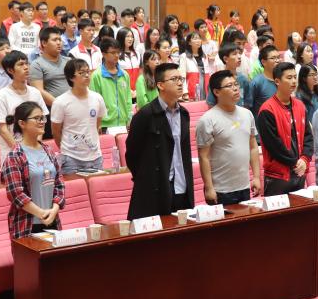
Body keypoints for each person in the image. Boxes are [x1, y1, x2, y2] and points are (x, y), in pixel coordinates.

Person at [125, 62, 193, 217]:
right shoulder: (145, 115)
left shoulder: (184, 114)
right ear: (160, 85)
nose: (179, 83)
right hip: (156, 188)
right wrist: (147, 178)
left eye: (181, 79)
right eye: (174, 79)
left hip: (181, 186)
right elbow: (132, 155)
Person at [2, 101, 65, 240]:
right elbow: (16, 194)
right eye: (37, 118)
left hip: (52, 220)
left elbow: (59, 184)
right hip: (27, 225)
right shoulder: (14, 156)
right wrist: (42, 214)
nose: (42, 122)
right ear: (22, 123)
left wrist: (54, 210)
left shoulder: (48, 150)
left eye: (42, 118)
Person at [196, 70, 262, 205]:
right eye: (229, 86)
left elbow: (253, 148)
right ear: (216, 92)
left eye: (236, 84)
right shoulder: (207, 120)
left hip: (244, 186)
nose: (235, 88)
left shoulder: (247, 114)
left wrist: (256, 177)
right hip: (220, 189)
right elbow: (204, 157)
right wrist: (209, 188)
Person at [257, 62, 313, 195]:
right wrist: (295, 163)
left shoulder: (300, 105)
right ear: (277, 81)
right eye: (289, 78)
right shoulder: (267, 109)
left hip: (299, 171)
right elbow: (274, 145)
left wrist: (305, 159)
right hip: (278, 176)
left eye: (295, 77)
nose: (294, 81)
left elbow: (308, 136)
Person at [0, 51, 48, 165]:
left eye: (26, 63)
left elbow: (41, 122)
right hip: (12, 155)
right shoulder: (2, 95)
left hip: (35, 153)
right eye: (21, 64)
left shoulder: (35, 93)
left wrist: (35, 147)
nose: (26, 67)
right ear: (10, 70)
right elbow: (3, 130)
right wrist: (22, 152)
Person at [51, 59, 107, 174]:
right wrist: (66, 150)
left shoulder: (97, 98)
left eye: (88, 71)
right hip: (71, 158)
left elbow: (97, 125)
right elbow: (56, 131)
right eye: (81, 73)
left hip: (95, 156)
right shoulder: (60, 102)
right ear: (71, 77)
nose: (87, 75)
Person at [90, 38, 132, 130]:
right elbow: (93, 102)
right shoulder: (97, 76)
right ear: (104, 54)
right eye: (113, 52)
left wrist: (129, 118)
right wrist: (97, 124)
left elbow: (128, 99)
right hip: (104, 125)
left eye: (118, 52)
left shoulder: (124, 75)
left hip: (123, 123)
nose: (116, 55)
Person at [29, 27, 70, 116]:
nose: (59, 43)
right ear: (44, 43)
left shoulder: (69, 61)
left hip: (73, 106)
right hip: (53, 111)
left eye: (60, 40)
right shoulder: (37, 65)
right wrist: (61, 106)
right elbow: (38, 91)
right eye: (55, 40)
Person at [250, 45, 280, 116]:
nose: (277, 60)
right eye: (273, 58)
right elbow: (249, 106)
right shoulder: (257, 82)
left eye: (278, 57)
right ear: (263, 62)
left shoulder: (282, 79)